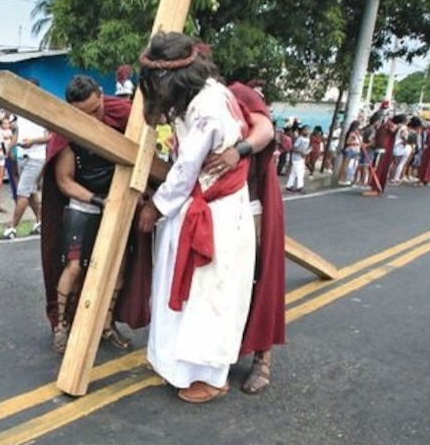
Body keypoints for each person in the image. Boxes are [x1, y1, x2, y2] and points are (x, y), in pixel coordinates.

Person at [136, 32, 256, 403]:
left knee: (208, 295)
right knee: (188, 292)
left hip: (214, 213)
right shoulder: (210, 92)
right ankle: (176, 365)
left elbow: (187, 168)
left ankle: (211, 376)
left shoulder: (207, 106)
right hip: (201, 206)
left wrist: (154, 208)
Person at [40, 74, 148, 353]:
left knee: (119, 264)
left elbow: (144, 150)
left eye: (96, 110)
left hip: (117, 201)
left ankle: (107, 324)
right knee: (74, 266)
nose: (94, 119)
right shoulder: (66, 132)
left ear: (101, 95)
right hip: (84, 203)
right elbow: (64, 181)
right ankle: (61, 327)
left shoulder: (122, 113)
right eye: (84, 115)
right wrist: (98, 200)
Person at [203, 79, 287, 395]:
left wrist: (238, 151)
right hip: (213, 207)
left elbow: (264, 130)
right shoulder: (194, 106)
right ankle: (217, 355)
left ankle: (262, 359)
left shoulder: (237, 95)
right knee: (218, 281)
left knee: (255, 278)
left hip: (249, 203)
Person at [0, 115, 49, 240]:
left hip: (36, 157)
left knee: (22, 191)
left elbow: (51, 136)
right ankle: (40, 222)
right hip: (22, 155)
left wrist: (33, 141)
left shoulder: (43, 114)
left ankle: (12, 227)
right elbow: (18, 133)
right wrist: (10, 147)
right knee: (30, 192)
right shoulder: (22, 114)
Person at [285, 124, 310, 193]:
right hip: (296, 157)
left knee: (294, 172)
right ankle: (300, 186)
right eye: (306, 130)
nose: (307, 131)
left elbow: (305, 148)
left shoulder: (307, 139)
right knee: (300, 172)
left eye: (308, 130)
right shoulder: (300, 139)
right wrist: (300, 152)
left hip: (301, 157)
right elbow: (293, 147)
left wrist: (306, 152)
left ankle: (289, 185)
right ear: (302, 131)